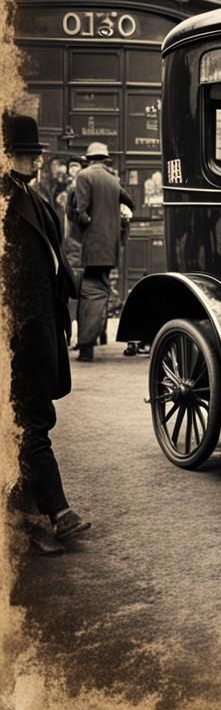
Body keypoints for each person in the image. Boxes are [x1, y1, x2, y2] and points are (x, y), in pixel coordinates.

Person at [2, 114, 90, 554]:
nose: (34, 160)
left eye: (34, 153)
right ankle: (55, 512)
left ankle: (36, 516)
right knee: (32, 423)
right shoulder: (7, 202)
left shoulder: (31, 197)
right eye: (24, 154)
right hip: (18, 335)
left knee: (29, 422)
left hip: (40, 329)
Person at [69, 142, 134, 361]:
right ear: (105, 159)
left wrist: (87, 223)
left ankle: (86, 347)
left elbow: (81, 212)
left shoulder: (84, 176)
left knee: (91, 293)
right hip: (110, 247)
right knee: (102, 288)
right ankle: (100, 335)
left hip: (94, 246)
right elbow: (130, 203)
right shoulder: (112, 179)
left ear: (89, 159)